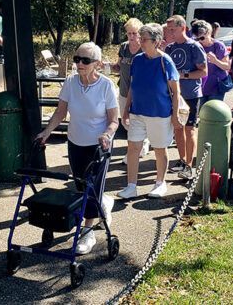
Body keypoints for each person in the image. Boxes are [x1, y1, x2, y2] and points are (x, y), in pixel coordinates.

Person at [36, 42, 118, 255]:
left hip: (98, 146)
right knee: (81, 187)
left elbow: (113, 121)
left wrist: (106, 134)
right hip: (75, 143)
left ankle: (87, 232)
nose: (79, 64)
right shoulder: (70, 83)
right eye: (77, 59)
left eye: (85, 60)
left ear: (97, 64)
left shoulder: (107, 86)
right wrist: (46, 132)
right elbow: (60, 113)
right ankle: (104, 204)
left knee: (92, 188)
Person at [118, 23, 181, 199]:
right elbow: (132, 86)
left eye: (144, 39)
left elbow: (176, 92)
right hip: (137, 113)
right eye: (140, 38)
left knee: (160, 149)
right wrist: (126, 110)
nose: (140, 42)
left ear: (156, 41)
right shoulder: (137, 59)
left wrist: (175, 116)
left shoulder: (165, 61)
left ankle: (160, 183)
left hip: (160, 114)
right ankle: (131, 186)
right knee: (133, 148)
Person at [165, 15, 207, 180]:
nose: (170, 33)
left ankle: (190, 165)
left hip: (191, 95)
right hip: (174, 95)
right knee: (177, 128)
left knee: (189, 129)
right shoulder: (169, 48)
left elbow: (203, 72)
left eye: (173, 30)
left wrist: (184, 75)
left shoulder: (194, 47)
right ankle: (182, 160)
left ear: (183, 28)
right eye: (168, 30)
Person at [112, 18, 149, 163]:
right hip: (124, 89)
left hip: (140, 93)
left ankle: (138, 148)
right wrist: (106, 66)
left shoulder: (145, 49)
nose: (132, 37)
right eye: (129, 34)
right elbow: (118, 66)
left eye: (135, 33)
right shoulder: (124, 47)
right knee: (125, 121)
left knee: (138, 121)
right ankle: (139, 144)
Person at [193, 20, 230, 103]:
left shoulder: (218, 46)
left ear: (209, 33)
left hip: (216, 87)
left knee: (213, 113)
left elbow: (227, 66)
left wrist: (215, 61)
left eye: (202, 38)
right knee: (202, 113)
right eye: (197, 38)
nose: (200, 41)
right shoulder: (195, 46)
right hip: (201, 87)